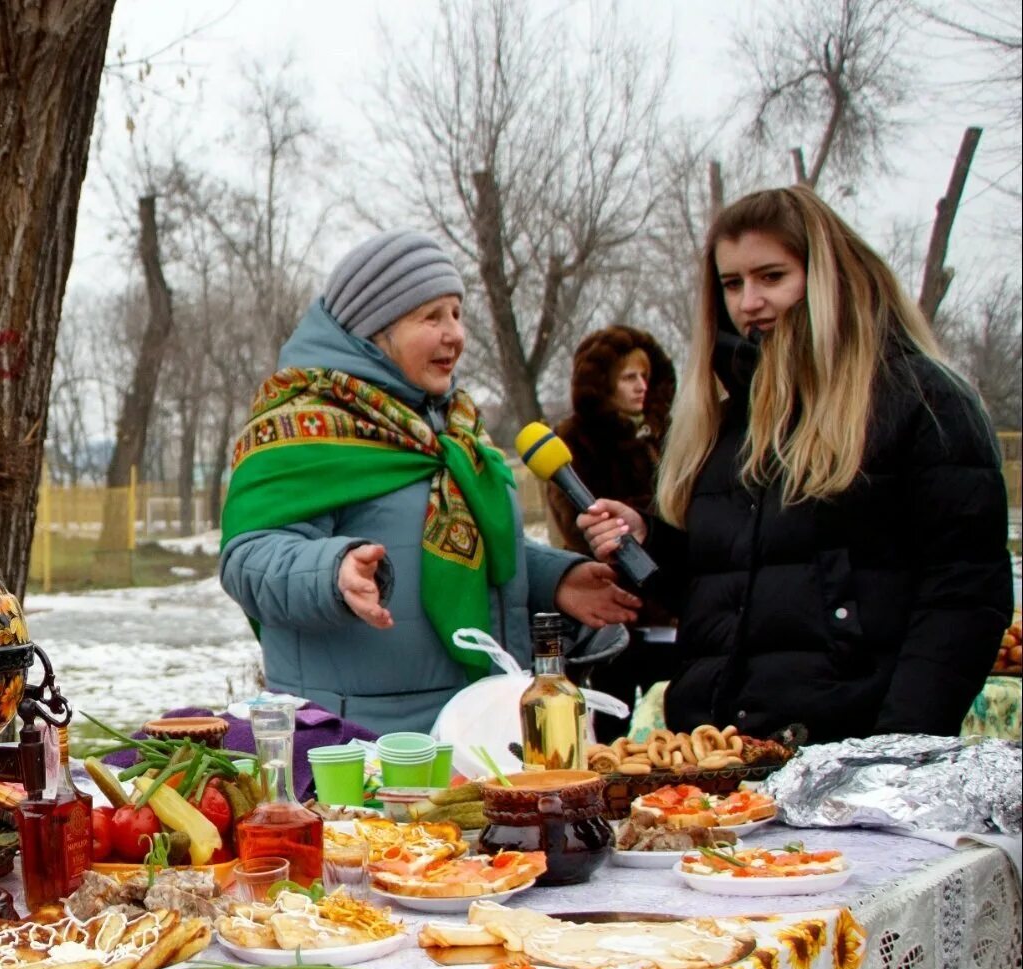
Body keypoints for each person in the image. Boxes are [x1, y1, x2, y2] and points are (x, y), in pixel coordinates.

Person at [579, 186, 1013, 742]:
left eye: (772, 277)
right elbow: (737, 586)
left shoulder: (923, 401)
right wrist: (651, 541)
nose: (748, 302)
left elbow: (966, 595)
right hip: (722, 754)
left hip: (853, 749)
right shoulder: (726, 424)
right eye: (732, 284)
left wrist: (901, 745)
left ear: (829, 276)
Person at [220, 229, 640, 735]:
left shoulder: (457, 429)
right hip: (359, 740)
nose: (455, 334)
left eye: (457, 314)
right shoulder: (304, 425)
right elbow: (249, 558)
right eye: (431, 316)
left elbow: (465, 550)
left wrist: (557, 579)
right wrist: (333, 571)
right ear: (375, 330)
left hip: (474, 727)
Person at [547, 325, 682, 734]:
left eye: (645, 377)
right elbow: (577, 520)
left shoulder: (671, 433)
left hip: (671, 608)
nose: (641, 386)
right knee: (612, 725)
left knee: (678, 728)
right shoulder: (575, 440)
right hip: (613, 606)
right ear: (604, 382)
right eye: (629, 377)